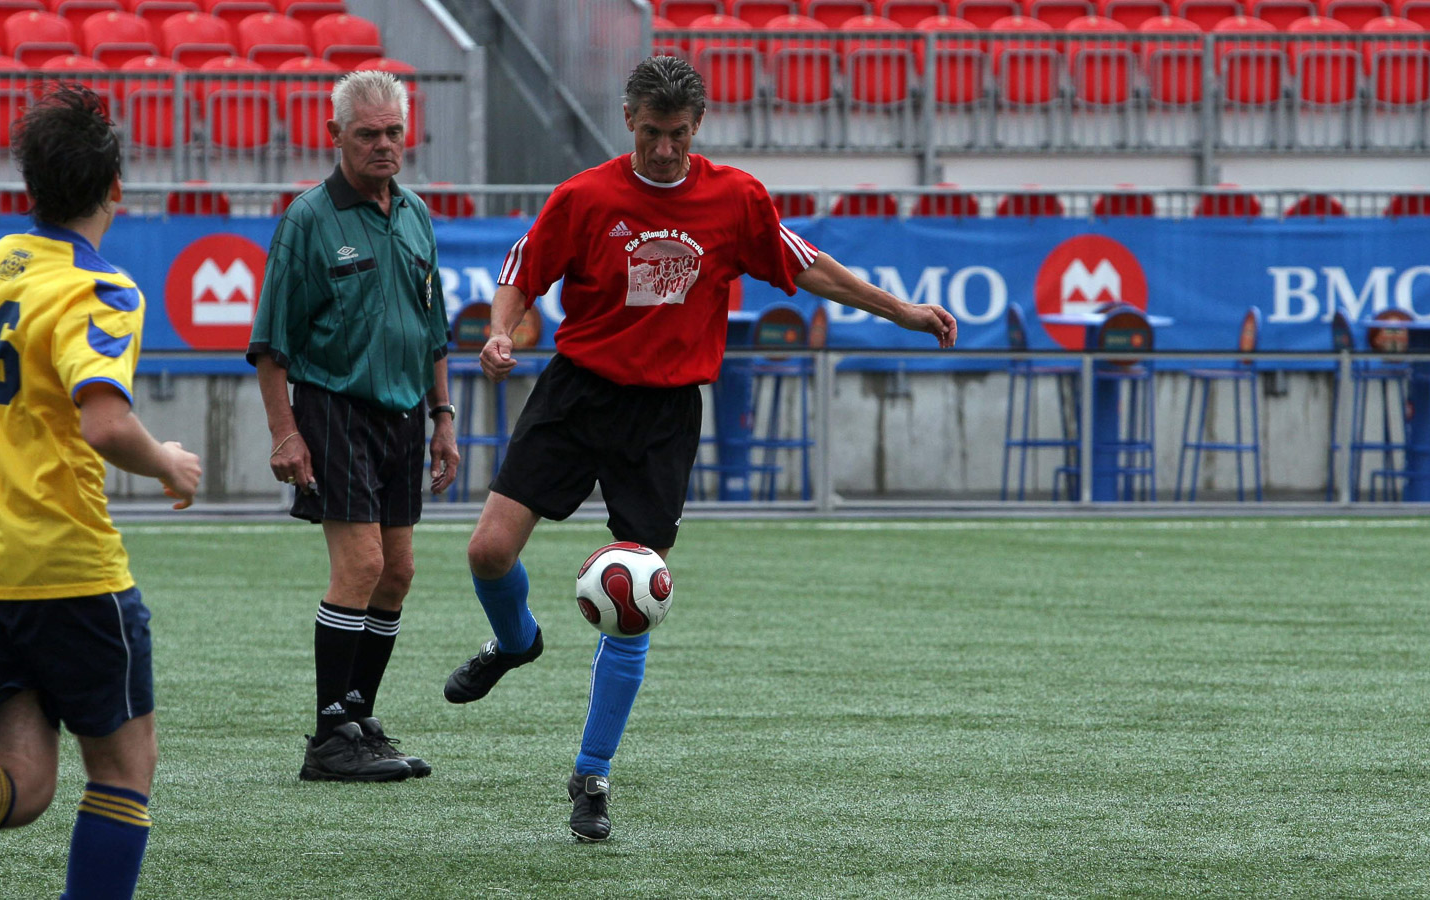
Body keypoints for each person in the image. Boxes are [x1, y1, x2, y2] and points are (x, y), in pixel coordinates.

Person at [443, 56, 957, 842]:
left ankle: (592, 774)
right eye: (651, 133)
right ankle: (516, 642)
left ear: (698, 127)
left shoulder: (735, 198)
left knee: (633, 599)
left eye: (678, 135)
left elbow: (807, 265)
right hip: (577, 393)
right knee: (487, 552)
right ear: (628, 119)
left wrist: (901, 311)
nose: (664, 150)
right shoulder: (584, 197)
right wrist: (501, 330)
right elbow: (522, 270)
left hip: (665, 414)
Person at [0, 85, 203, 898]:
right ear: (116, 188)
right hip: (65, 568)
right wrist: (167, 463)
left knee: (21, 783)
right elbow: (104, 423)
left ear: (29, 184)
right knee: (124, 769)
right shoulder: (100, 290)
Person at [249, 70, 459, 783]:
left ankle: (359, 720)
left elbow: (433, 331)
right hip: (335, 407)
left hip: (406, 414)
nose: (384, 144)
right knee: (362, 565)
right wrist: (285, 431)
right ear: (335, 135)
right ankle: (327, 738)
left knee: (397, 573)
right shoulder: (309, 219)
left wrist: (443, 418)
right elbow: (271, 344)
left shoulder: (416, 214)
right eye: (368, 133)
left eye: (394, 131)